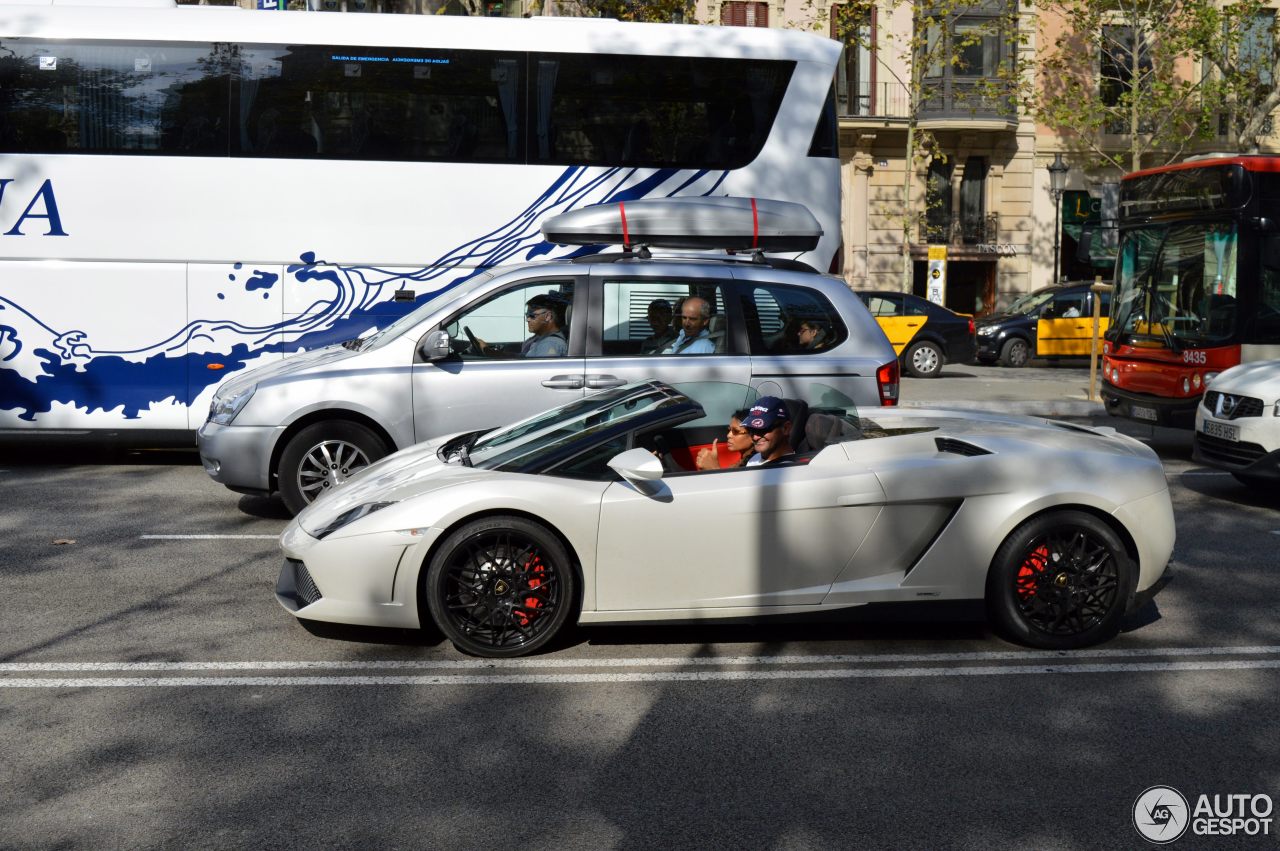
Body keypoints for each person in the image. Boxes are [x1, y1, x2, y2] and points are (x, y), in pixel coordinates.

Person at [473, 294, 568, 358]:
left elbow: (538, 376)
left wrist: (488, 351)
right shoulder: (541, 338)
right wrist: (489, 351)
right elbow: (521, 358)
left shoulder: (550, 344)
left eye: (532, 316)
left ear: (548, 316)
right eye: (527, 315)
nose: (528, 319)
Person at [739, 396, 798, 465]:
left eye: (763, 429)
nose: (755, 437)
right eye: (751, 429)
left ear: (786, 428)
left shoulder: (791, 469)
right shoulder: (754, 460)